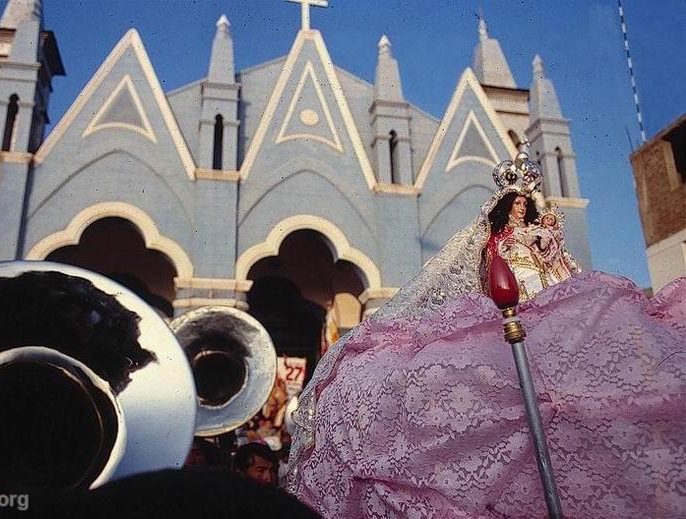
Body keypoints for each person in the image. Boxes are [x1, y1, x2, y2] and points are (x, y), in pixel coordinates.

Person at [285, 149, 686, 518]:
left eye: (525, 205)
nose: (521, 210)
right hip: (519, 305)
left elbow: (558, 262)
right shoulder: (499, 241)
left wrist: (548, 245)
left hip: (554, 301)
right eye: (516, 205)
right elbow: (498, 269)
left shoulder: (538, 237)